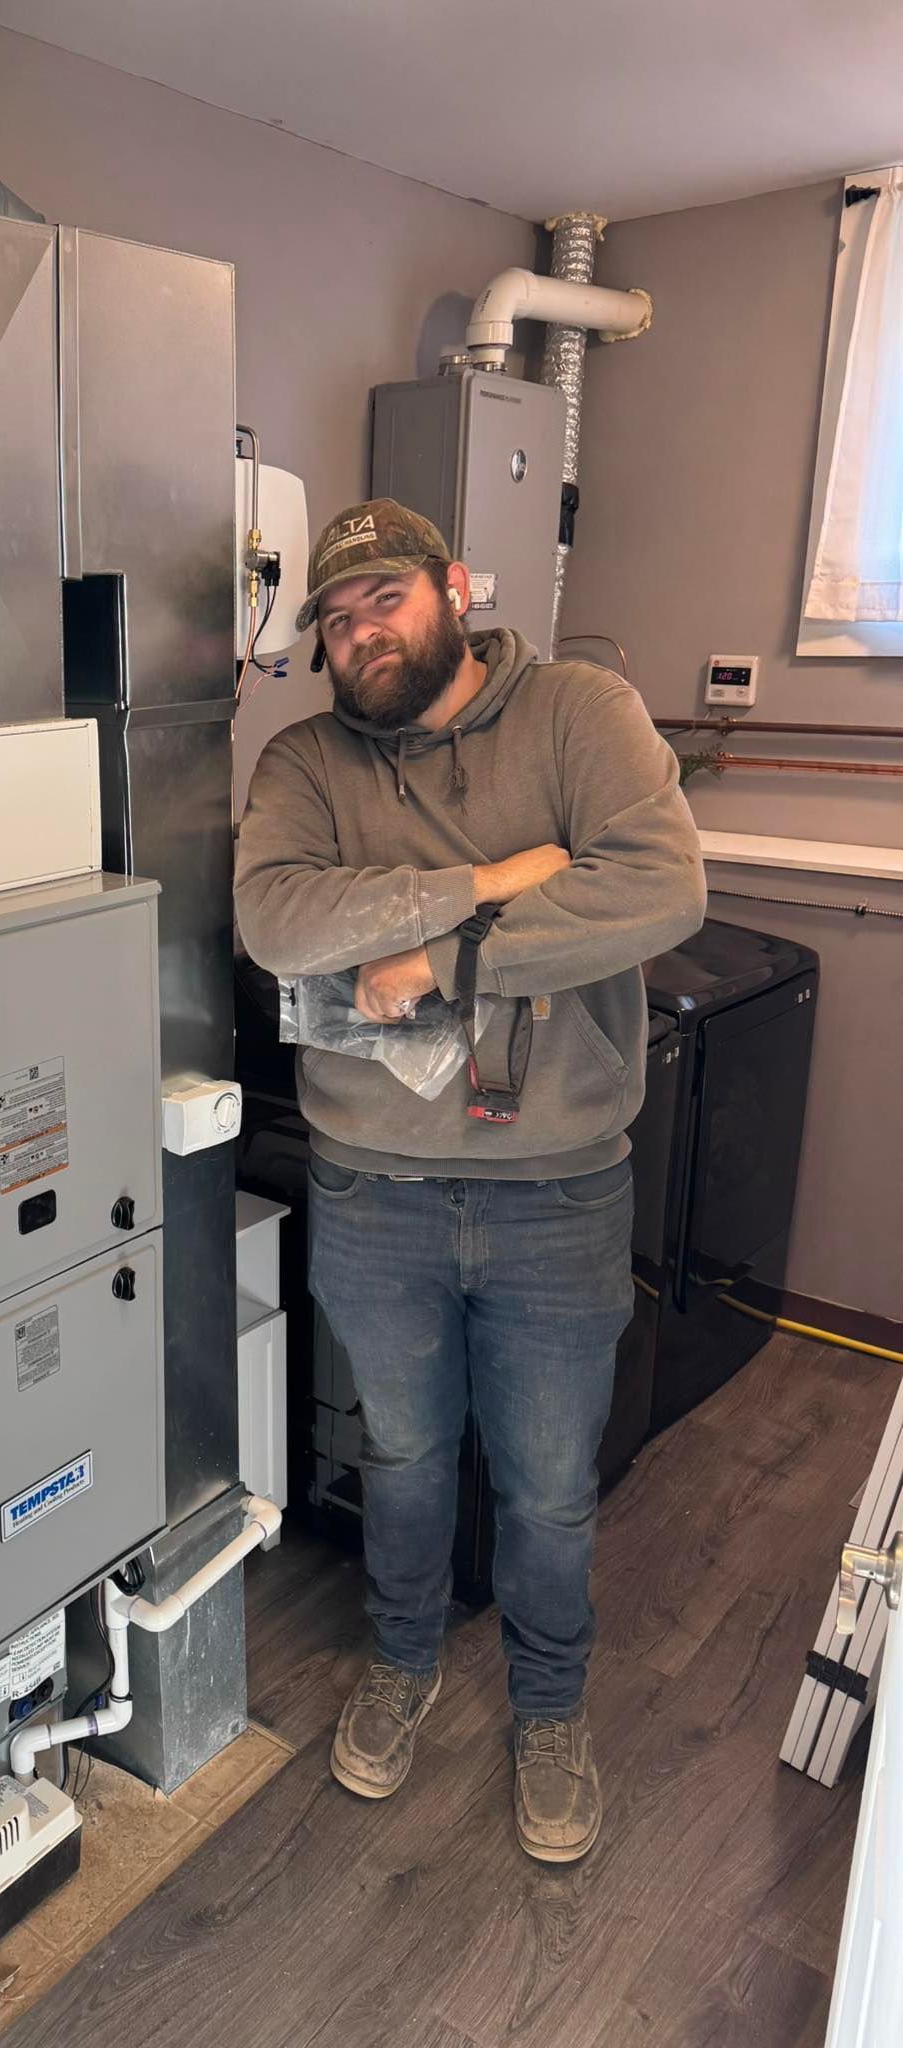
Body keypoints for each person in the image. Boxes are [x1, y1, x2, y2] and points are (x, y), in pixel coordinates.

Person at [234, 499, 705, 1862]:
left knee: (552, 1484)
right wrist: (499, 877)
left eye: (383, 599)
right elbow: (277, 918)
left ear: (451, 589)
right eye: (333, 617)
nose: (360, 631)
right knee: (401, 1453)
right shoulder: (306, 759)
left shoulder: (578, 712)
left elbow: (659, 888)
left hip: (558, 1192)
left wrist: (437, 960)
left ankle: (550, 1708)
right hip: (374, 1191)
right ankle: (401, 1661)